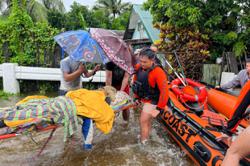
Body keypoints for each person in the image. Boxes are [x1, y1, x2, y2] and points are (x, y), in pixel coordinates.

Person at [59, 56, 100, 149]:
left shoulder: (82, 61)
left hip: (79, 92)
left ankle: (87, 145)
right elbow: (66, 78)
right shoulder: (65, 61)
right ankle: (70, 139)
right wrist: (79, 71)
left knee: (87, 114)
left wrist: (94, 71)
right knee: (69, 117)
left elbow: (86, 75)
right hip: (66, 92)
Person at [132, 47, 169, 144]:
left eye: (145, 62)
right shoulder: (138, 67)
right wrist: (136, 97)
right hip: (144, 98)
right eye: (141, 61)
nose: (142, 64)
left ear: (152, 60)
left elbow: (165, 92)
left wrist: (159, 108)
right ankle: (148, 139)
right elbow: (136, 82)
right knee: (147, 123)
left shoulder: (158, 72)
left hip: (154, 100)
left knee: (143, 121)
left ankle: (143, 145)